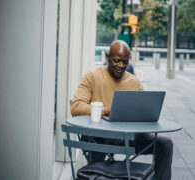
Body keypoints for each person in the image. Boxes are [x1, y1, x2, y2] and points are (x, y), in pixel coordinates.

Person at [71, 40, 173, 180]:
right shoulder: (92, 76)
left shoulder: (134, 82)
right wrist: (105, 111)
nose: (121, 66)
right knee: (94, 138)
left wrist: (146, 117)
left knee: (165, 143)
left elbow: (143, 112)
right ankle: (95, 176)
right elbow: (76, 107)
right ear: (107, 57)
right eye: (117, 61)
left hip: (129, 136)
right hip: (99, 136)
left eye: (125, 62)